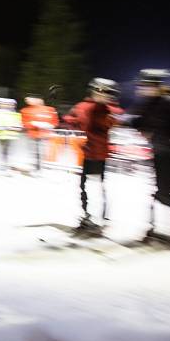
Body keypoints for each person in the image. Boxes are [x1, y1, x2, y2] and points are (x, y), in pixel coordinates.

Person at [131, 69, 170, 240]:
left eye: (145, 86)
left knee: (163, 192)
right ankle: (167, 228)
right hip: (158, 152)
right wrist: (138, 126)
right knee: (160, 191)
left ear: (155, 86)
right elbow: (139, 122)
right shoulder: (147, 104)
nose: (142, 89)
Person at [64, 78, 121, 233]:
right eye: (99, 91)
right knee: (83, 186)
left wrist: (104, 109)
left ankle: (101, 218)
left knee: (99, 187)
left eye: (105, 92)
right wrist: (68, 117)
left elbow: (110, 122)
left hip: (100, 154)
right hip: (87, 153)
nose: (101, 95)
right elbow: (74, 120)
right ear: (93, 90)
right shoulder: (83, 106)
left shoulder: (108, 110)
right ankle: (86, 215)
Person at [21, 95, 58, 172]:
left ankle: (42, 167)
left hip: (45, 135)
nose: (29, 100)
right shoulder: (25, 110)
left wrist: (50, 125)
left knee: (44, 153)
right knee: (35, 152)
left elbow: (55, 122)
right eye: (27, 99)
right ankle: (37, 168)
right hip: (33, 135)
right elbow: (24, 123)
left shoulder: (50, 109)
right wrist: (33, 124)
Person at [0, 98, 23, 173]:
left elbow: (20, 125)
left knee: (7, 153)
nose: (5, 105)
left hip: (10, 137)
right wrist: (1, 127)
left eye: (9, 104)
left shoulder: (16, 114)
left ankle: (5, 167)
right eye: (2, 103)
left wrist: (16, 128)